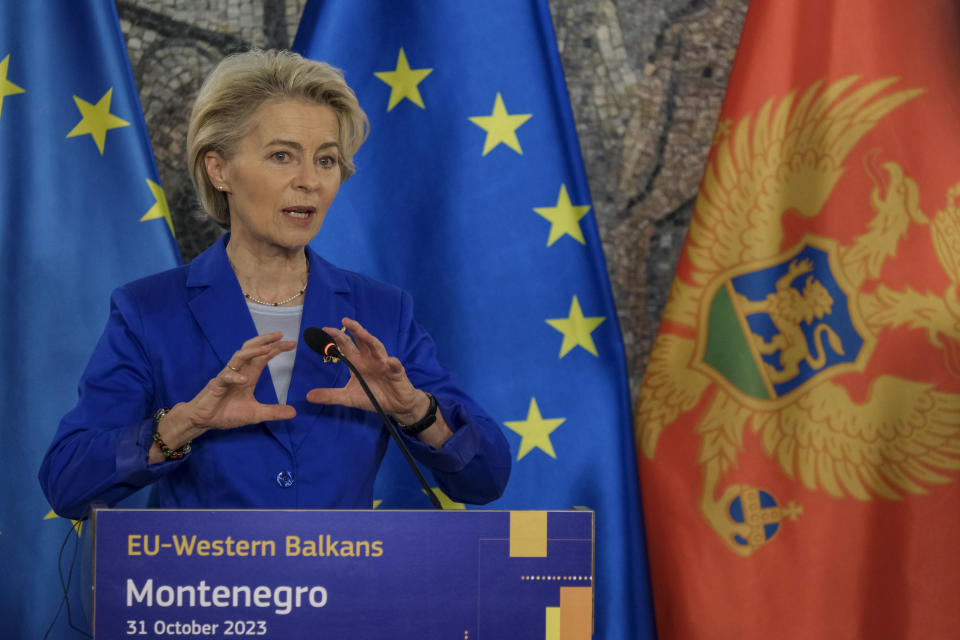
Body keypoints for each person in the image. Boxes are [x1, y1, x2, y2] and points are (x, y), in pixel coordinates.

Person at [38, 49, 511, 520]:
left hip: (348, 591)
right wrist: (182, 425)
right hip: (207, 591)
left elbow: (487, 477)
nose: (309, 181)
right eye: (282, 156)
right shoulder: (149, 311)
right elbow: (67, 483)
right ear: (219, 169)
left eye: (326, 161)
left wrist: (416, 411)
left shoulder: (382, 312)